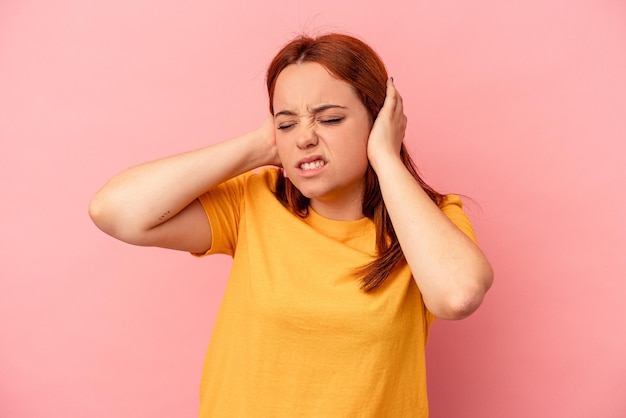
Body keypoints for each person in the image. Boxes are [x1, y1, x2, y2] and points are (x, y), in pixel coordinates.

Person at [89, 33, 493, 417]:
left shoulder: (428, 220)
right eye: (286, 124)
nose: (304, 139)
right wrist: (261, 146)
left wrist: (385, 157)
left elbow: (457, 296)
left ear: (377, 121)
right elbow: (114, 211)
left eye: (329, 119)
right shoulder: (254, 201)